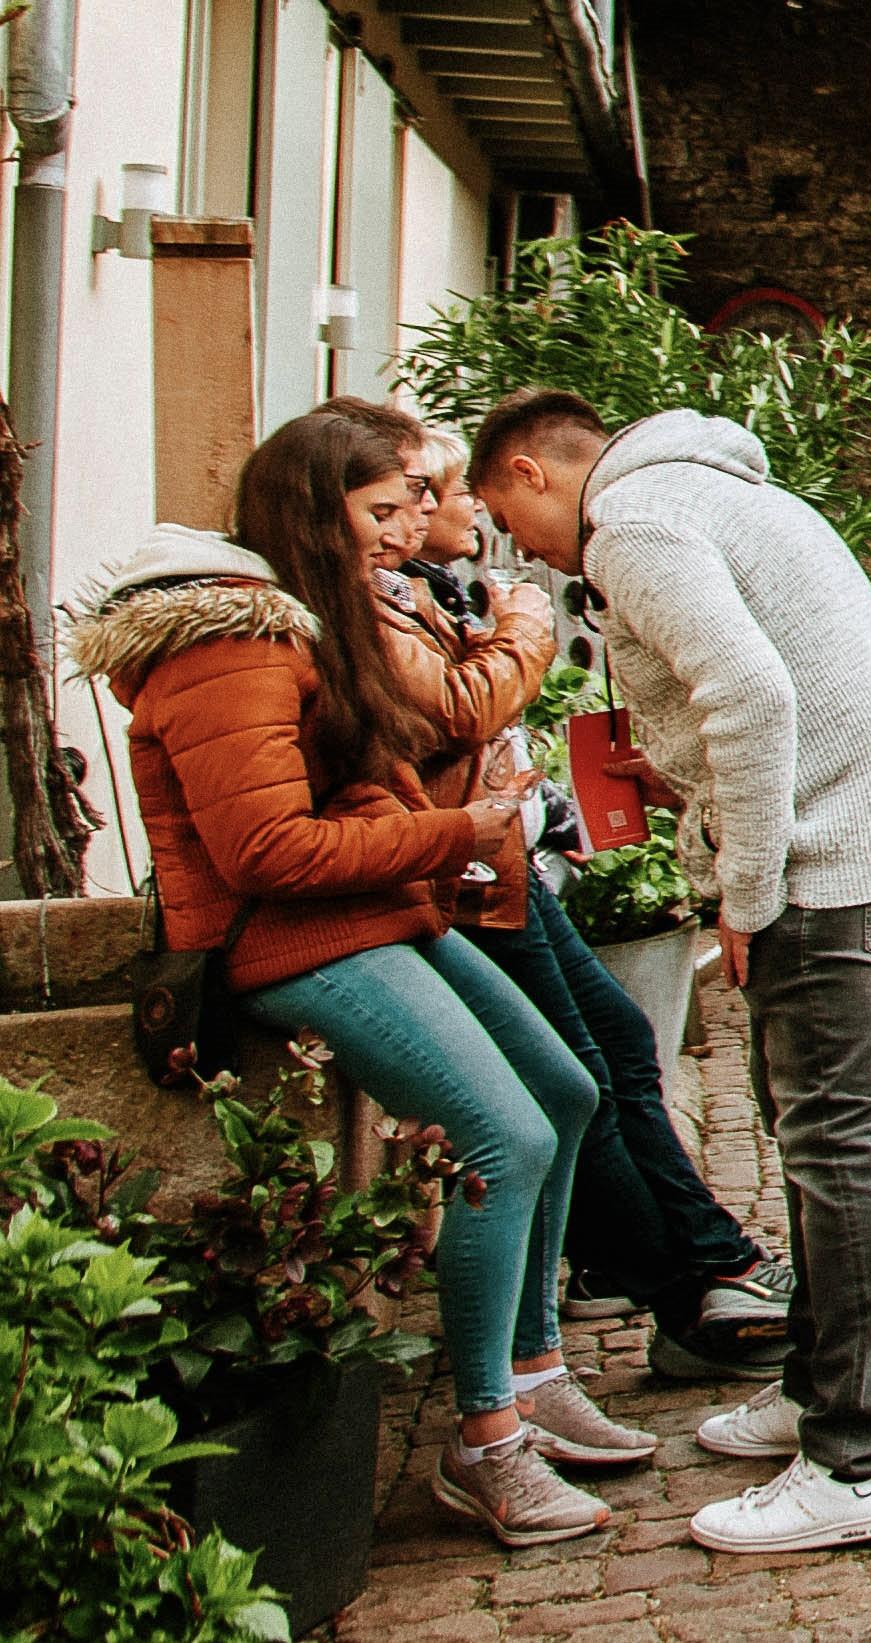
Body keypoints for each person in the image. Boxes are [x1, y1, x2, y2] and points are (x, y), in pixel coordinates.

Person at [86, 407, 629, 1547]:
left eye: (411, 506)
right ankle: (487, 1442)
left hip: (374, 913)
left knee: (569, 1092)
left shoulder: (313, 625)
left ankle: (531, 1369)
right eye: (383, 510)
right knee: (506, 1138)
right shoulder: (227, 643)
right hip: (294, 940)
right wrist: (457, 833)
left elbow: (340, 794)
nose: (409, 529)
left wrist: (424, 819)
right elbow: (266, 854)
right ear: (312, 509)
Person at [472, 388, 871, 1555]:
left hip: (837, 847)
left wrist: (746, 890)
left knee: (834, 1139)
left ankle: (855, 1461)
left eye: (507, 515)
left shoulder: (632, 524)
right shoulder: (707, 485)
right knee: (808, 1124)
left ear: (536, 471)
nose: (521, 551)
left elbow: (754, 693)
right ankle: (815, 1391)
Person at [394, 415, 790, 1389]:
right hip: (468, 874)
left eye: (438, 491)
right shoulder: (419, 599)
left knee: (613, 1040)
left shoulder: (442, 588)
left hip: (502, 865)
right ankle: (690, 1281)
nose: (452, 512)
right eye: (428, 494)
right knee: (575, 1079)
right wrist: (526, 618)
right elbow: (461, 706)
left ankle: (703, 1257)